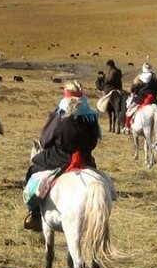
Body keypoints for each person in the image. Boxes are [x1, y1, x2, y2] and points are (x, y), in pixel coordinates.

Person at [23, 80, 102, 231]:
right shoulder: (91, 116)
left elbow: (45, 141)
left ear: (65, 95)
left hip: (59, 158)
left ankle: (35, 215)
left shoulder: (60, 114)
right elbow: (94, 142)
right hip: (85, 159)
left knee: (32, 170)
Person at [122, 62, 157, 133]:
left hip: (139, 100)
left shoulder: (139, 78)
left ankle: (127, 127)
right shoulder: (155, 79)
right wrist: (154, 92)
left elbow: (133, 89)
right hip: (152, 100)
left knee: (128, 112)